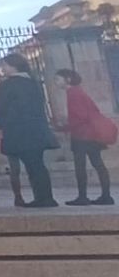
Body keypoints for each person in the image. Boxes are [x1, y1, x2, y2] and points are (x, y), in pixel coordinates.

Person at [0, 53, 60, 208]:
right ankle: (45, 197)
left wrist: (0, 123)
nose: (2, 68)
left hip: (18, 131)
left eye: (5, 65)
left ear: (13, 66)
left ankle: (43, 198)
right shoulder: (33, 83)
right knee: (37, 164)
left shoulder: (8, 85)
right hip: (37, 130)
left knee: (32, 166)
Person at [55, 70, 115, 206]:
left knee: (80, 166)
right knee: (98, 164)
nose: (56, 83)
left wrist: (64, 127)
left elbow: (80, 116)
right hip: (92, 134)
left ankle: (83, 196)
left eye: (58, 79)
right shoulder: (79, 92)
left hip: (81, 135)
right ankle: (106, 195)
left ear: (68, 79)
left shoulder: (73, 94)